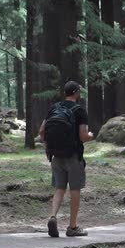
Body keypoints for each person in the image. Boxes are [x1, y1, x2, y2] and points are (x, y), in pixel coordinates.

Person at [39, 81, 94, 237]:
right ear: (76, 93)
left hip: (56, 156)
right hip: (73, 156)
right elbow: (83, 136)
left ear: (65, 92)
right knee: (75, 190)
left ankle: (53, 217)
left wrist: (48, 146)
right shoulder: (80, 111)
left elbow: (42, 131)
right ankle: (72, 227)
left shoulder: (54, 108)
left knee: (59, 188)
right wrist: (90, 137)